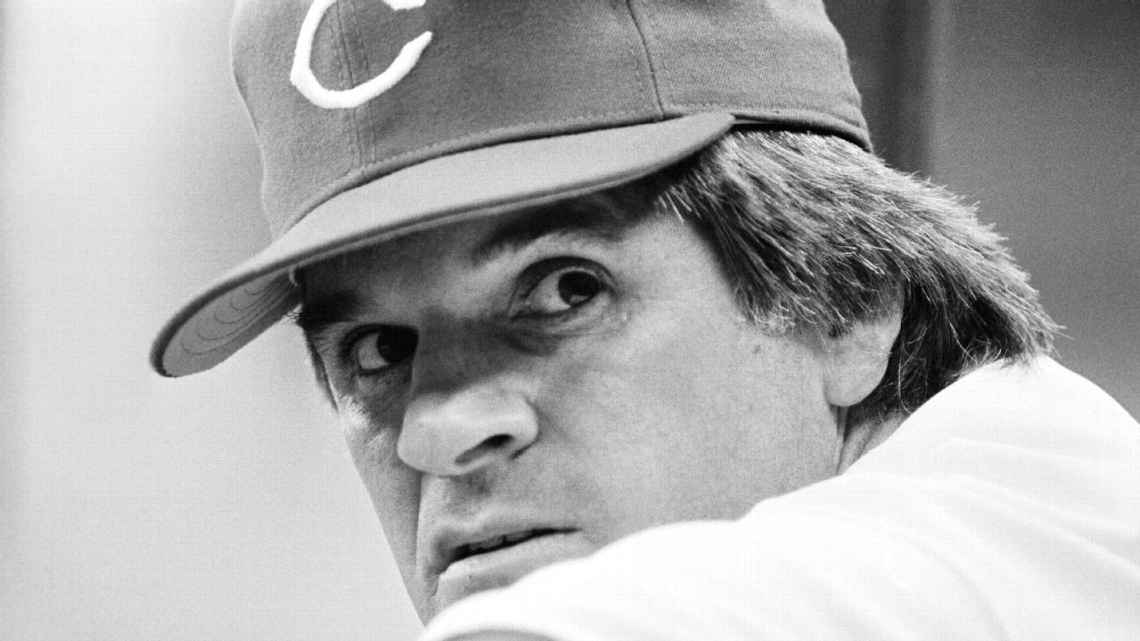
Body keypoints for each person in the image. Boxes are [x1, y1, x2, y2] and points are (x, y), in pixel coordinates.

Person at [151, 1, 1140, 639]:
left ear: (847, 300)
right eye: (377, 350)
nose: (437, 430)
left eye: (563, 290)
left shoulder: (1035, 545)